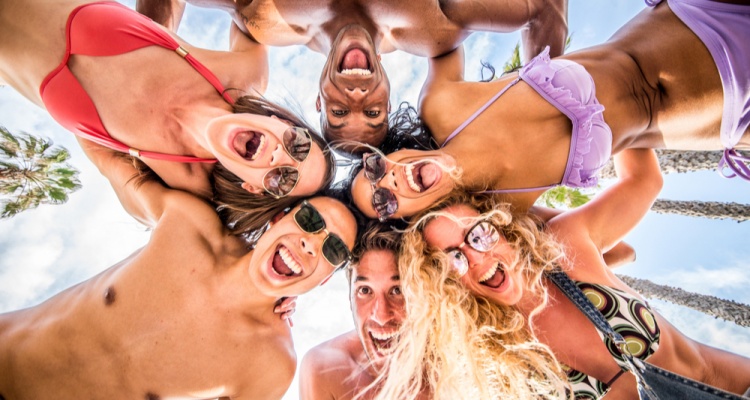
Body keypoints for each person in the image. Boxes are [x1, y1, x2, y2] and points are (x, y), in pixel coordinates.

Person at [0, 140, 357, 399]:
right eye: (310, 219)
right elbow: (106, 156)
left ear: (325, 278)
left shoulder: (270, 364)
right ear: (280, 218)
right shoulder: (189, 224)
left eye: (334, 248)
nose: (312, 242)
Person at [384, 148, 750, 399]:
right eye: (453, 258)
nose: (476, 257)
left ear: (501, 224)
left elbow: (643, 180)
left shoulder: (565, 248)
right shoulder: (500, 362)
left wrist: (614, 93)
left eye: (479, 233)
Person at [348, 0, 750, 220]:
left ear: (390, 152)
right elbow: (611, 244)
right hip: (731, 116)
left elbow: (434, 22)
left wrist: (544, 64)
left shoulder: (443, 105)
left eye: (375, 169)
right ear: (411, 221)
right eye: (384, 202)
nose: (392, 181)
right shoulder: (506, 210)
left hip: (697, 17)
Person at [0, 0, 335, 230]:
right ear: (284, 123)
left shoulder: (181, 188)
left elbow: (180, 235)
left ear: (253, 188)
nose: (281, 155)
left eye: (283, 179)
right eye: (299, 145)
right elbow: (252, 9)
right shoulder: (243, 75)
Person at [137, 0, 568, 151]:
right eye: (374, 110)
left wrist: (150, 60)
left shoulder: (265, 15)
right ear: (388, 89)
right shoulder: (433, 27)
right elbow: (542, 8)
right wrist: (544, 103)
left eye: (340, 111)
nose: (357, 93)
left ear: (320, 100)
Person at [299, 222, 411, 400]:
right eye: (365, 290)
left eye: (397, 290)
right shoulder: (324, 369)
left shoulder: (453, 364)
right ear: (349, 296)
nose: (381, 316)